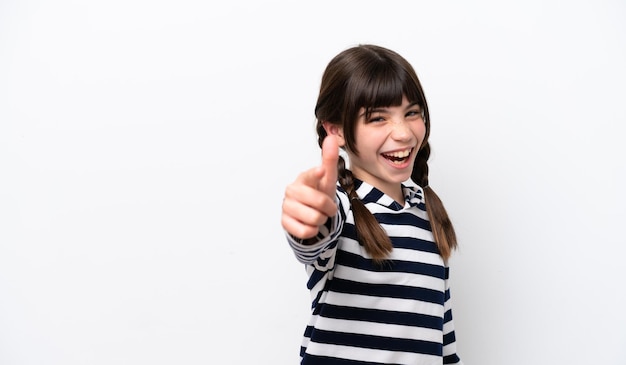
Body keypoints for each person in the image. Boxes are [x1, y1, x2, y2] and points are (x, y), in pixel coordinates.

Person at [281, 44, 463, 365]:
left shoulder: (427, 211)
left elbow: (441, 340)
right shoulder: (341, 207)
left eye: (412, 113)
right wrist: (311, 221)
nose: (404, 133)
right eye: (378, 118)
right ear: (335, 129)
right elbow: (315, 240)